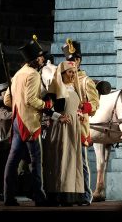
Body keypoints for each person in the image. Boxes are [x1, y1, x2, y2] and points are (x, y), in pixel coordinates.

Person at [2, 39, 54, 206]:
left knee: (12, 161)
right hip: (29, 123)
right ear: (34, 59)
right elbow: (31, 99)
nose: (43, 59)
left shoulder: (18, 74)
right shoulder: (33, 74)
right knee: (36, 161)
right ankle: (39, 197)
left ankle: (8, 197)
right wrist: (46, 105)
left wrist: (19, 106)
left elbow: (7, 99)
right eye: (40, 56)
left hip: (17, 120)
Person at [42, 56, 84, 206]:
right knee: (60, 158)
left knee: (72, 159)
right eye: (70, 72)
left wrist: (79, 114)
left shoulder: (74, 89)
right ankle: (57, 193)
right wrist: (58, 116)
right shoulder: (54, 90)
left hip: (73, 128)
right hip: (60, 129)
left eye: (74, 72)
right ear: (62, 73)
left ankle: (71, 193)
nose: (73, 75)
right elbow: (45, 108)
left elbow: (75, 107)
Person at [62, 38, 99, 205]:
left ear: (79, 60)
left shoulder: (86, 81)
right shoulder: (62, 80)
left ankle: (85, 195)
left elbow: (95, 103)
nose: (72, 62)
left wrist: (83, 107)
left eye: (75, 59)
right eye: (70, 60)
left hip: (80, 125)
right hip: (64, 124)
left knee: (81, 162)